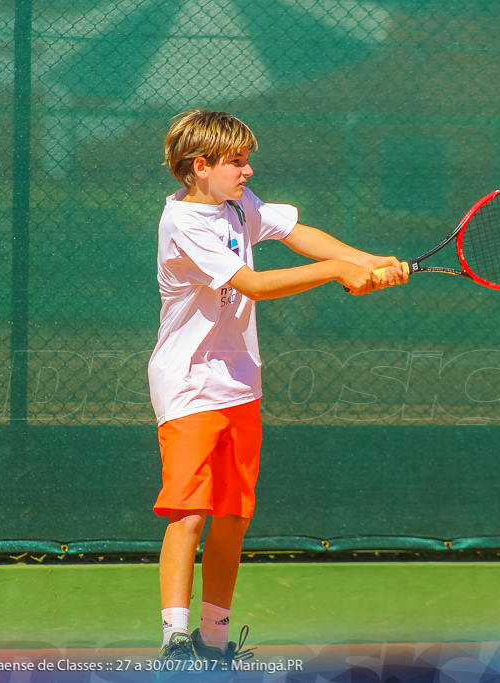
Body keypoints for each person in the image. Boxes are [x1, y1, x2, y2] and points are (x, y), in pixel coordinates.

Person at [148, 110, 407, 663]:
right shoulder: (184, 224)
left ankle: (213, 641)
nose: (248, 170)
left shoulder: (240, 204)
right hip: (189, 382)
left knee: (234, 516)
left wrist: (365, 260)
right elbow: (255, 285)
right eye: (237, 161)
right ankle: (174, 638)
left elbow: (293, 231)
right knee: (189, 513)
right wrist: (337, 273)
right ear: (201, 167)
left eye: (247, 160)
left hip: (241, 382)